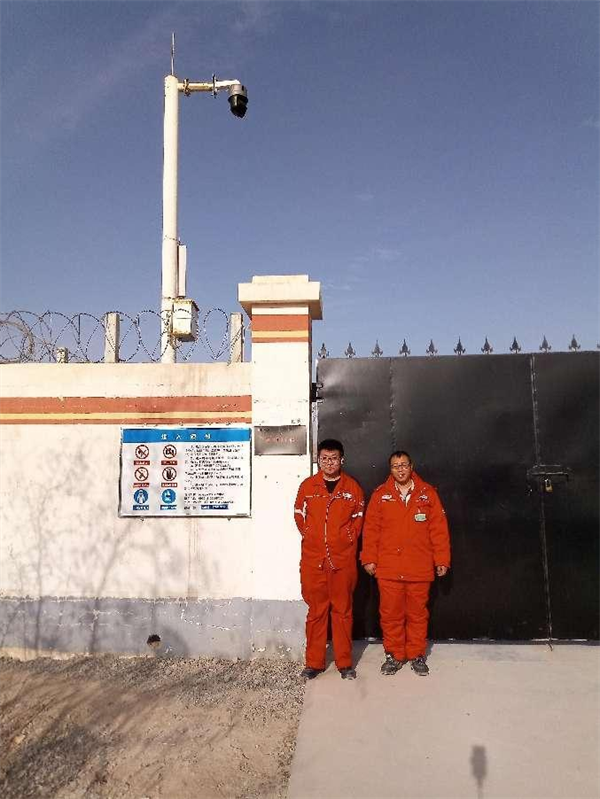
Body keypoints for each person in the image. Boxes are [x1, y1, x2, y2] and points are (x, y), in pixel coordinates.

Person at [361, 451, 450, 677]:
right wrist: (369, 558)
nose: (400, 470)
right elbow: (371, 529)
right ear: (390, 469)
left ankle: (417, 654)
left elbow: (438, 529)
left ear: (411, 466)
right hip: (389, 568)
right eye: (395, 466)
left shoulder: (427, 494)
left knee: (417, 615)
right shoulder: (380, 495)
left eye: (403, 465)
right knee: (391, 615)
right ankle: (394, 655)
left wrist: (442, 559)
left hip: (419, 567)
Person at [294, 439, 365, 680]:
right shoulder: (308, 486)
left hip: (342, 561)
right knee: (316, 612)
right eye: (324, 458)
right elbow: (299, 514)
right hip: (314, 562)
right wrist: (311, 535)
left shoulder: (352, 488)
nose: (329, 463)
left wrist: (346, 538)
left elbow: (358, 519)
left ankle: (344, 663)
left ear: (341, 460)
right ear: (318, 460)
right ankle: (314, 663)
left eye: (333, 458)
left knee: (343, 611)